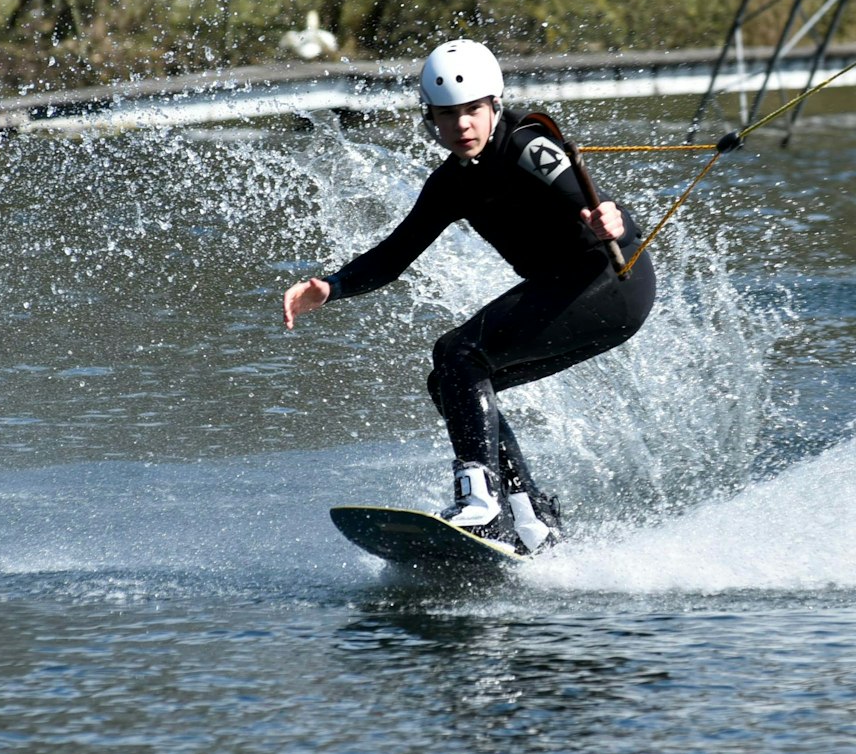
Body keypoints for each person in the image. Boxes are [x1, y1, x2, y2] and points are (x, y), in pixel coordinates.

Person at [281, 39, 656, 554]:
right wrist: (332, 287)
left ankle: (480, 503)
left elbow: (602, 208)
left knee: (457, 351)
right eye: (446, 116)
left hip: (610, 282)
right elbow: (395, 254)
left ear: (494, 107)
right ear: (430, 118)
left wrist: (614, 218)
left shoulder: (528, 145)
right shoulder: (451, 183)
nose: (461, 126)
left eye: (472, 112)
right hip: (568, 292)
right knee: (451, 383)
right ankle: (528, 516)